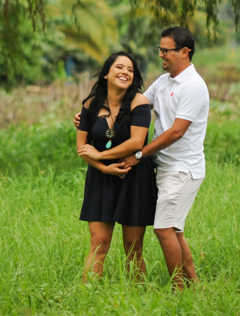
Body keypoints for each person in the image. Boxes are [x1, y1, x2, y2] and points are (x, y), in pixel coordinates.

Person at [72, 26, 209, 290]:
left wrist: (136, 153)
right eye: (160, 50)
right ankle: (193, 285)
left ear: (184, 51)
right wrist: (85, 118)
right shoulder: (165, 81)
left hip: (180, 168)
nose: (161, 55)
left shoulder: (193, 86)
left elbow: (175, 132)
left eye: (166, 50)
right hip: (153, 166)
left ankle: (179, 291)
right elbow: (132, 103)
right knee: (169, 230)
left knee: (161, 231)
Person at [75, 51, 157, 282]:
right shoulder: (90, 105)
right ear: (106, 74)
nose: (125, 72)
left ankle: (138, 297)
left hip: (134, 176)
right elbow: (82, 146)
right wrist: (103, 167)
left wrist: (101, 155)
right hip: (100, 178)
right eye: (119, 67)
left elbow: (136, 142)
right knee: (98, 241)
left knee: (133, 245)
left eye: (130, 70)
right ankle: (88, 296)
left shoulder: (139, 102)